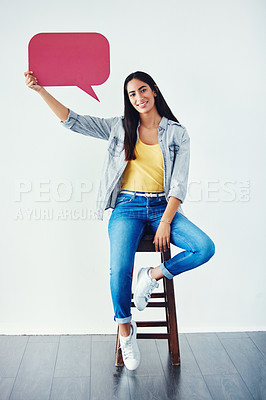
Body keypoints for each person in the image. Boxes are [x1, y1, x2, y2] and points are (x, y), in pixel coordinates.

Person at [24, 69, 215, 370]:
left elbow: (179, 183)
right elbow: (73, 121)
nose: (138, 98)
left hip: (164, 208)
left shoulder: (178, 133)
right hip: (127, 206)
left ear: (153, 90)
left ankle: (151, 276)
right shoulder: (120, 127)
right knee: (119, 269)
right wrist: (40, 91)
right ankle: (126, 329)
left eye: (142, 90)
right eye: (131, 94)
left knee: (204, 247)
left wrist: (166, 220)